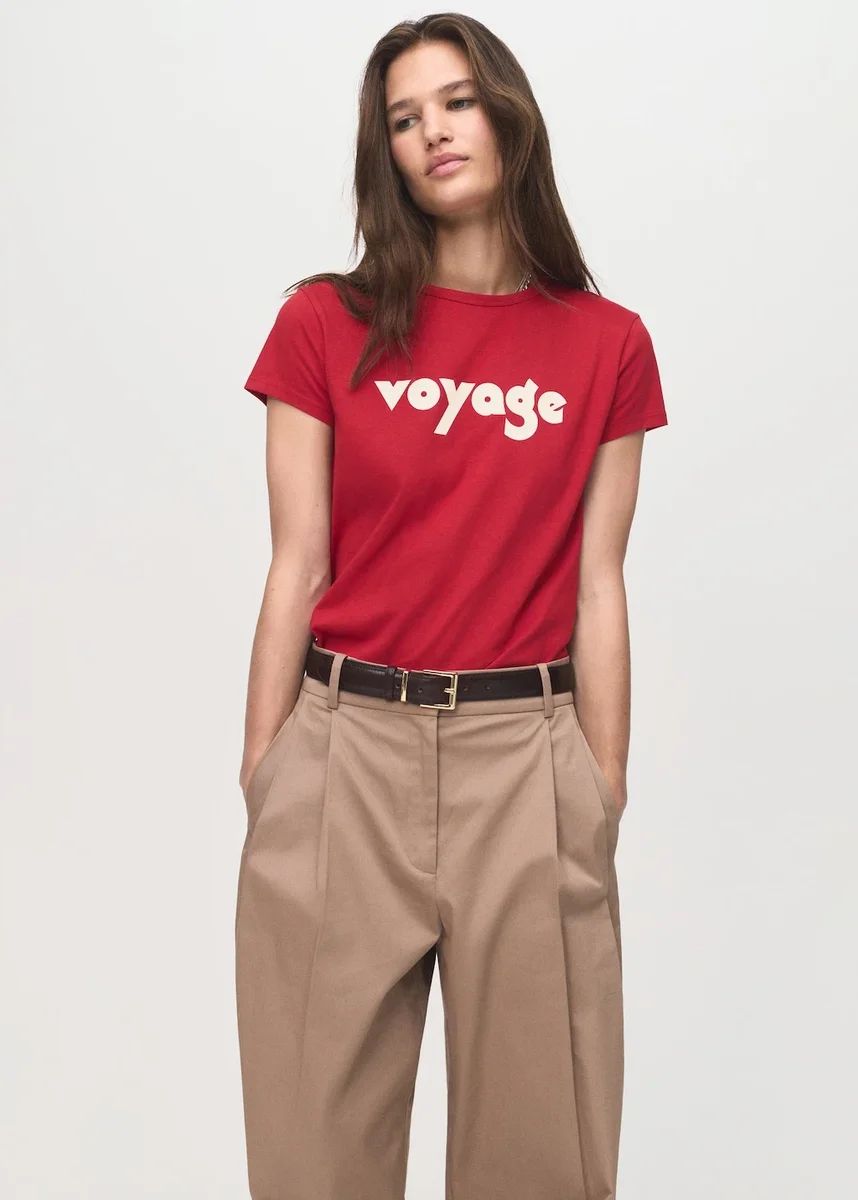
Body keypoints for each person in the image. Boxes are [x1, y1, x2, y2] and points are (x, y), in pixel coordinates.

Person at [235, 12, 667, 1200]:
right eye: (404, 118)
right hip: (344, 755)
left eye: (457, 101)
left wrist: (600, 788)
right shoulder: (322, 323)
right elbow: (296, 562)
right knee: (311, 1158)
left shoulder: (608, 346)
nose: (433, 131)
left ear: (508, 114)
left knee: (542, 1162)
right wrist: (268, 772)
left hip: (526, 761)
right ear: (384, 152)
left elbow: (600, 581)